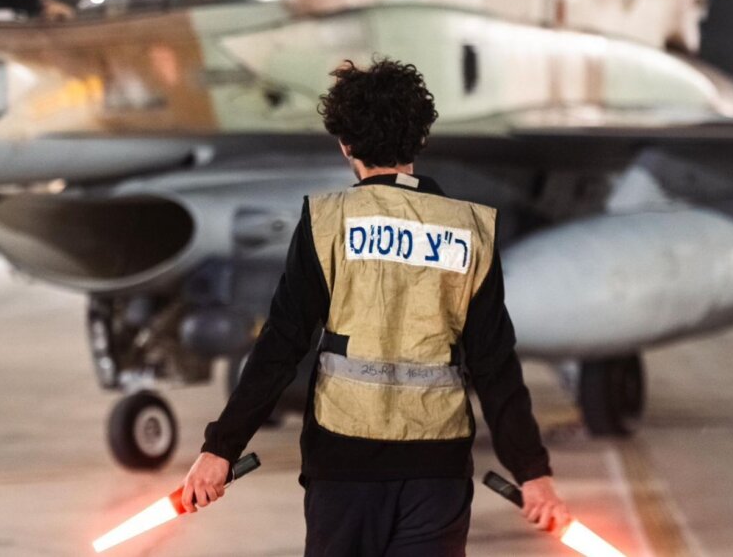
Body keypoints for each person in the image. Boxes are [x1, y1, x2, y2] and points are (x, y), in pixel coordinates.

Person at [180, 58, 569, 556]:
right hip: (437, 470)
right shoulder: (469, 231)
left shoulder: (328, 223)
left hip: (344, 467)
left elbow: (281, 346)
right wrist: (532, 473)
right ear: (420, 139)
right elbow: (495, 364)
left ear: (345, 144)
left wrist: (221, 449)